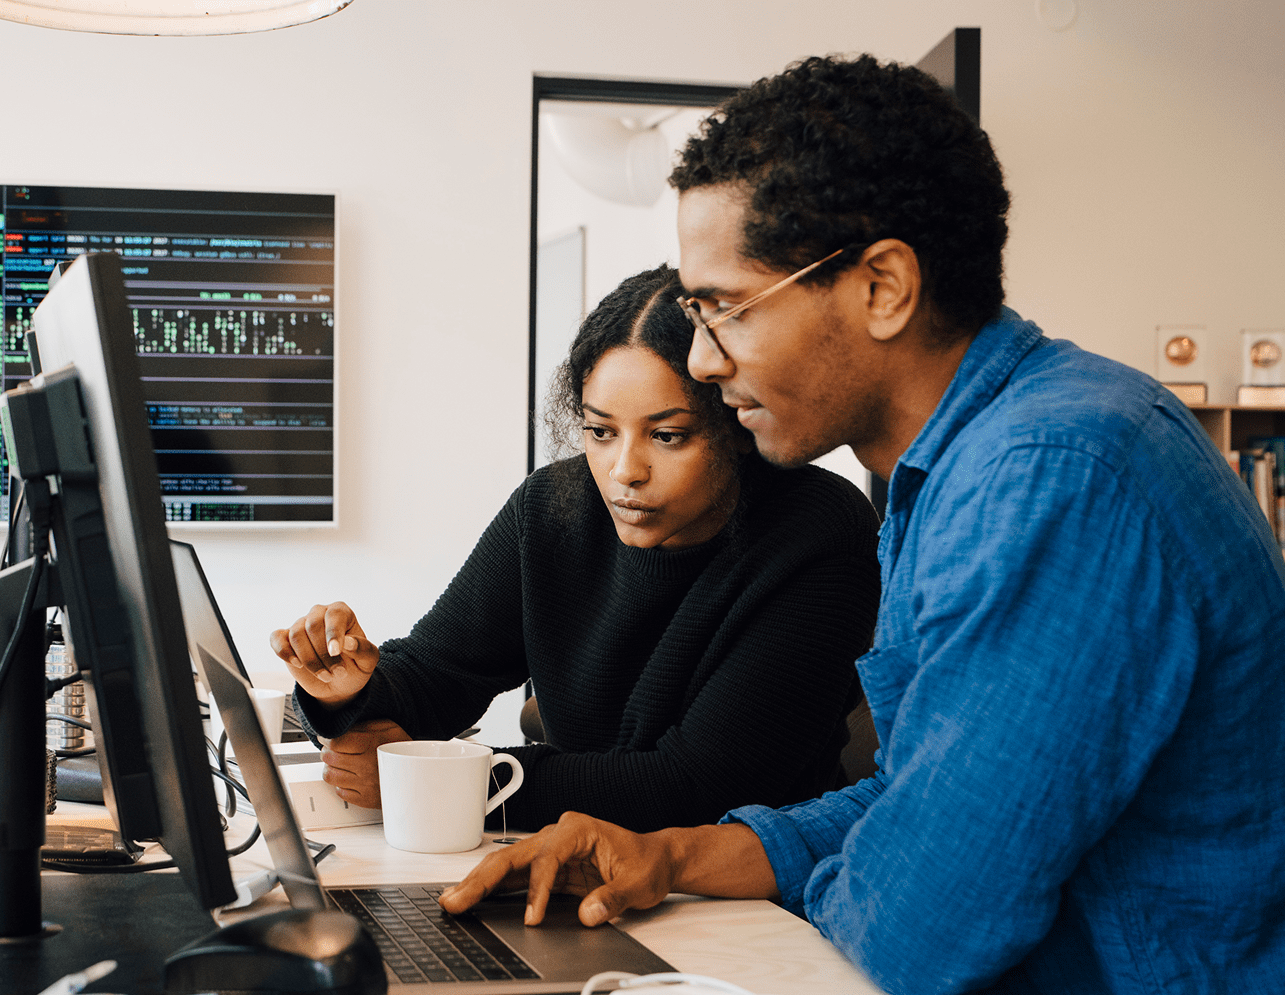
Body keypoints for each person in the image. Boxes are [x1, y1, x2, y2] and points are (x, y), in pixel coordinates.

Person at [439, 54, 1285, 995]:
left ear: (882, 287)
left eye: (723, 310)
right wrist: (669, 857)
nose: (707, 362)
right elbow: (912, 801)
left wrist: (859, 871)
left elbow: (922, 925)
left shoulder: (1051, 478)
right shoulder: (949, 472)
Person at [269, 264, 881, 834]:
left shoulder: (818, 532)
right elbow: (440, 671)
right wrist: (346, 692)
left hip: (745, 903)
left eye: (667, 436)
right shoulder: (553, 507)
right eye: (600, 431)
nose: (624, 472)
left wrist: (445, 782)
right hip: (578, 860)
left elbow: (699, 786)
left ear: (735, 426)